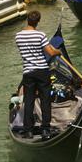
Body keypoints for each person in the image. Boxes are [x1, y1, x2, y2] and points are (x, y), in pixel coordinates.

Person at [15, 11, 62, 140]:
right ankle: (45, 129)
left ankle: (28, 131)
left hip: (28, 72)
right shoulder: (40, 35)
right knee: (45, 100)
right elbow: (50, 52)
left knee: (29, 100)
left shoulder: (18, 36)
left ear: (27, 20)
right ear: (38, 21)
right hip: (42, 71)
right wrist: (58, 51)